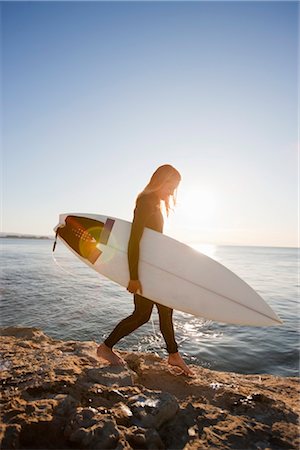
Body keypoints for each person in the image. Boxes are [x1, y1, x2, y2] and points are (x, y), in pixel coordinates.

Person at [97, 164, 194, 376]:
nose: (172, 192)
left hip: (154, 268)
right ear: (161, 180)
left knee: (164, 310)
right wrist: (133, 276)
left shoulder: (156, 203)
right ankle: (105, 348)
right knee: (142, 315)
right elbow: (134, 241)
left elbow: (153, 241)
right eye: (171, 186)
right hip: (144, 269)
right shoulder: (146, 201)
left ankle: (174, 355)